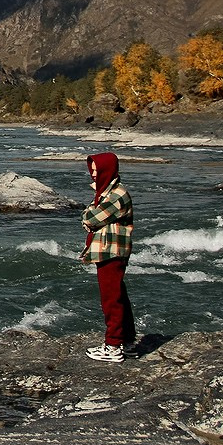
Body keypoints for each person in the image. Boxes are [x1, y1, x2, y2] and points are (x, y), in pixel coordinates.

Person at [81, 151, 136, 363]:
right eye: (92, 170)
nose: (93, 174)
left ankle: (113, 346)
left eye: (97, 170)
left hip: (111, 250)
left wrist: (89, 214)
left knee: (110, 299)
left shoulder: (117, 195)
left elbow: (91, 219)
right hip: (109, 249)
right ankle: (127, 342)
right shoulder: (106, 193)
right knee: (118, 295)